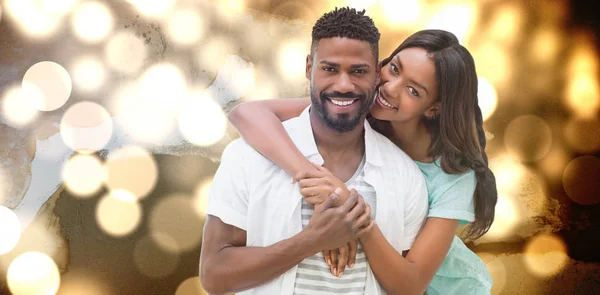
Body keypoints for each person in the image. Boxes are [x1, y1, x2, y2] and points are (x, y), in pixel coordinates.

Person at [228, 28, 498, 294]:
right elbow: (247, 113)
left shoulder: (454, 176)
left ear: (433, 108)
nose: (390, 88)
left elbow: (412, 283)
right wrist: (314, 181)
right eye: (394, 68)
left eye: (413, 91)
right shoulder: (356, 109)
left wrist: (351, 212)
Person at [200, 7, 428, 295]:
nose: (343, 85)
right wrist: (313, 239)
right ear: (309, 68)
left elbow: (406, 288)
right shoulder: (247, 157)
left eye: (358, 71)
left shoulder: (405, 176)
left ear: (376, 76)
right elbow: (213, 276)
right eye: (329, 69)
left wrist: (358, 225)